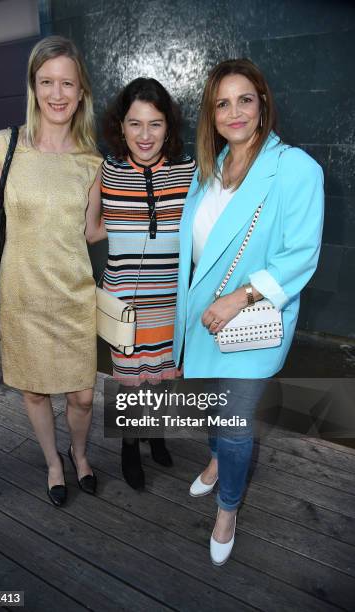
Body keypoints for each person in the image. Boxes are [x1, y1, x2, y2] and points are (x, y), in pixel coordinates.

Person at [173, 58, 324, 565]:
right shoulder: (207, 170)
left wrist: (237, 298)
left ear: (262, 104)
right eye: (222, 103)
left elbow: (300, 254)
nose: (234, 111)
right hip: (201, 322)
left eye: (244, 99)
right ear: (210, 115)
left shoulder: (295, 168)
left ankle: (228, 508)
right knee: (207, 410)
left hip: (247, 325)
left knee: (235, 425)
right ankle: (215, 460)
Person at [0, 36, 105, 506]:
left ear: (81, 91)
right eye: (47, 82)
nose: (57, 93)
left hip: (74, 297)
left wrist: (150, 215)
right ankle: (52, 462)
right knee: (35, 393)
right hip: (22, 296)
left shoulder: (92, 162)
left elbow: (90, 232)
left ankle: (79, 452)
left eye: (67, 83)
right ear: (34, 86)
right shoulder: (4, 146)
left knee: (82, 396)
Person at [100, 78, 196, 489]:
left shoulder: (190, 171)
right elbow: (88, 229)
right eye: (135, 123)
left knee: (160, 380)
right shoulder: (104, 171)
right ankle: (127, 446)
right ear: (121, 125)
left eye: (154, 124)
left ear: (168, 127)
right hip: (124, 304)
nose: (144, 135)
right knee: (128, 385)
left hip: (171, 304)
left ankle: (154, 435)